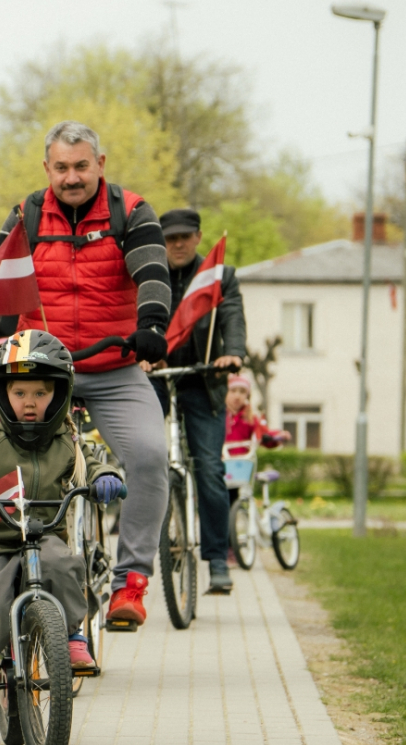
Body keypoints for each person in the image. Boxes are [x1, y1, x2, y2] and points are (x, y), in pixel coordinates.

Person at [0, 121, 171, 630]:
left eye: (82, 166)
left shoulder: (131, 211)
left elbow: (152, 272)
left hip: (114, 364)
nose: (72, 177)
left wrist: (150, 325)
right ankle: (5, 570)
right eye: (62, 167)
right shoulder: (27, 215)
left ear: (100, 164)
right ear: (47, 169)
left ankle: (131, 582)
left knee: (149, 458)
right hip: (43, 367)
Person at [0, 330, 124, 704]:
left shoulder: (66, 438)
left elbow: (97, 461)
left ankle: (72, 637)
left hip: (45, 533)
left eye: (41, 393)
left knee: (66, 565)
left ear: (60, 393)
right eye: (19, 393)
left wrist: (106, 478)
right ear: (2, 392)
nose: (30, 403)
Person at [153, 207, 247, 594]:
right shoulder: (150, 273)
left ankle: (216, 559)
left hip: (203, 381)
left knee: (208, 468)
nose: (176, 244)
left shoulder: (219, 276)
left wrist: (233, 354)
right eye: (170, 238)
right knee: (144, 464)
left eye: (183, 237)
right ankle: (137, 564)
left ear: (197, 237)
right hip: (155, 378)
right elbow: (134, 317)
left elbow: (232, 319)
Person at [223, 374, 290, 449]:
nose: (237, 396)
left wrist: (277, 435)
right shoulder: (219, 416)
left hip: (243, 458)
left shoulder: (250, 417)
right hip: (221, 458)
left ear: (247, 396)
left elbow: (262, 434)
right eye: (233, 391)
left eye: (242, 392)